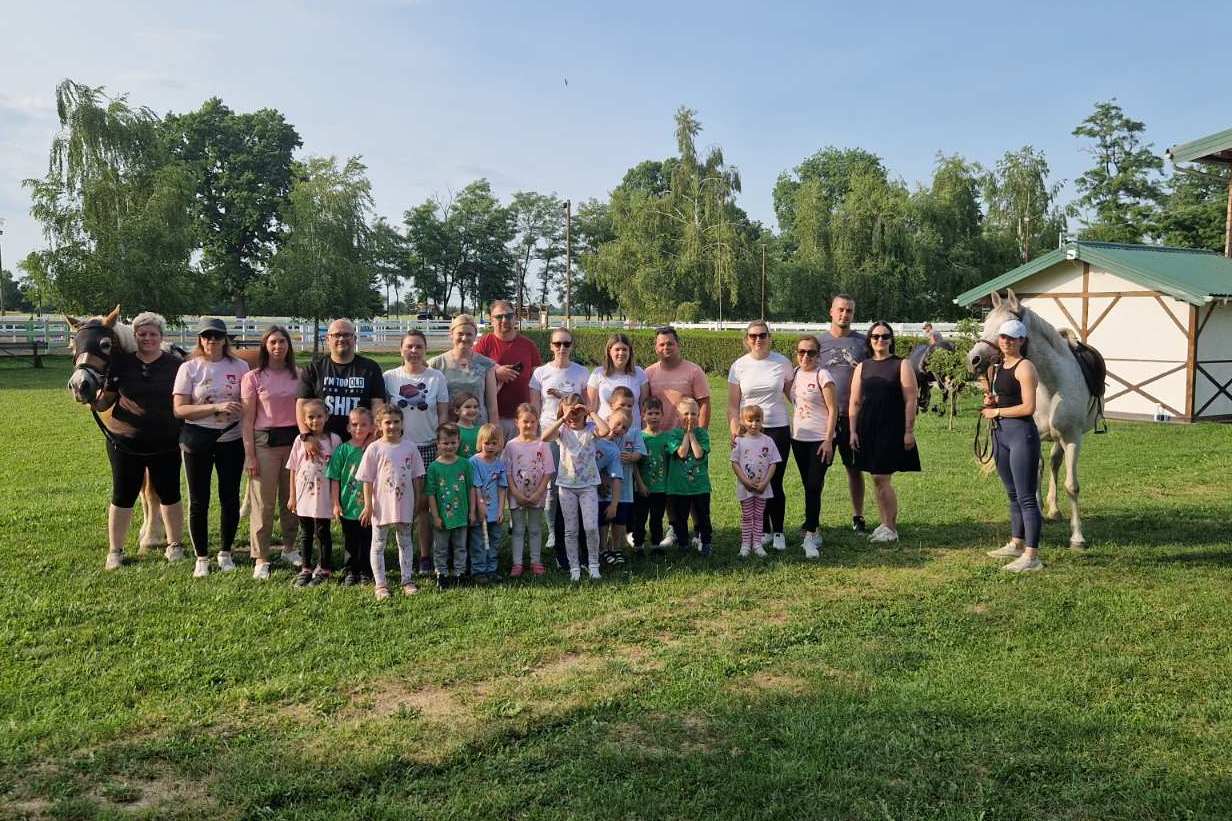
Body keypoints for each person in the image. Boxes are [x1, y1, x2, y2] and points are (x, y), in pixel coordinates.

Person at [90, 311, 185, 570]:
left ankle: (174, 544)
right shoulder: (121, 364)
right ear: (135, 336)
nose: (147, 338)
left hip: (165, 441)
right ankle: (115, 551)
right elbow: (106, 400)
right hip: (124, 442)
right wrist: (91, 399)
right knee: (122, 496)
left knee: (170, 494)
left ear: (161, 337)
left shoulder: (175, 365)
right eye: (142, 334)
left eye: (153, 334)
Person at [173, 318, 250, 578]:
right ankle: (202, 557)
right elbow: (180, 409)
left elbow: (248, 401)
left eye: (217, 336)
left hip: (231, 438)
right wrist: (215, 407)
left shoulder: (240, 366)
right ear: (200, 339)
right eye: (207, 336)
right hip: (198, 438)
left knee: (229, 497)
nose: (212, 341)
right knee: (199, 500)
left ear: (225, 339)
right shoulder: (189, 368)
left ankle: (226, 552)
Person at [383, 329, 450, 575]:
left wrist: (442, 444)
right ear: (401, 349)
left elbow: (442, 413)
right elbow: (383, 415)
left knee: (423, 505)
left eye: (418, 346)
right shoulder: (390, 377)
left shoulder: (436, 378)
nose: (414, 351)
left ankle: (424, 556)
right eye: (409, 346)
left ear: (425, 350)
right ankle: (402, 552)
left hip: (428, 446)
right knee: (399, 502)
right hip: (398, 449)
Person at [848, 321, 920, 543]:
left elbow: (911, 400)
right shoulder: (862, 366)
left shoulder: (902, 364)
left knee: (881, 477)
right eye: (876, 336)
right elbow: (855, 401)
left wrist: (908, 430)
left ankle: (890, 527)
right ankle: (884, 523)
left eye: (885, 336)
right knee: (876, 478)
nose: (880, 340)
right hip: (868, 428)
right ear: (870, 340)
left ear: (891, 339)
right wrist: (852, 431)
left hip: (891, 428)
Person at [981, 319, 1043, 573]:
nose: (1006, 341)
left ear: (1022, 341)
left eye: (1012, 338)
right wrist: (993, 400)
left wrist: (996, 411)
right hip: (1001, 436)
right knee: (1012, 494)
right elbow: (1006, 397)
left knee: (1027, 497)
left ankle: (1032, 556)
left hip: (1021, 435)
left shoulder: (1025, 367)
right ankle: (1017, 543)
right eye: (1003, 337)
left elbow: (1028, 407)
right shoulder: (999, 367)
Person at [726, 320, 792, 551]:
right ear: (747, 339)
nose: (758, 339)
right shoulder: (739, 366)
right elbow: (733, 405)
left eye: (762, 335)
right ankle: (762, 530)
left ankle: (778, 531)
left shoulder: (782, 363)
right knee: (753, 478)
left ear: (769, 337)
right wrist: (735, 430)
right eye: (753, 336)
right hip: (748, 432)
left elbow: (795, 395)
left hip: (777, 428)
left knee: (774, 481)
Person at [241, 325, 301, 578]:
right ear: (265, 346)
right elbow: (247, 420)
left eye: (282, 342)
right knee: (263, 505)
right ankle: (261, 557)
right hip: (264, 443)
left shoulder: (299, 375)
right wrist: (250, 455)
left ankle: (289, 547)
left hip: (293, 444)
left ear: (289, 345)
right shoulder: (253, 377)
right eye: (273, 342)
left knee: (292, 500)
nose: (278, 346)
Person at [529, 326, 589, 555]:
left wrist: (562, 396)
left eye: (566, 343)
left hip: (575, 434)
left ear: (572, 346)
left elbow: (585, 404)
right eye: (557, 343)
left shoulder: (581, 372)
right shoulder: (540, 373)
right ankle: (554, 531)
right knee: (552, 485)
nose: (562, 348)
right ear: (551, 346)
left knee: (576, 482)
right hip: (549, 432)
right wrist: (535, 434)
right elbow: (535, 406)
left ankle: (574, 528)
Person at [358, 405, 427, 599]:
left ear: (402, 423)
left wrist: (417, 500)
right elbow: (366, 479)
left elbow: (417, 477)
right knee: (378, 544)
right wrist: (368, 505)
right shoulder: (374, 448)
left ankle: (407, 580)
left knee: (405, 542)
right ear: (379, 425)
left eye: (396, 422)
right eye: (387, 422)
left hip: (405, 503)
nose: (392, 426)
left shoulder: (410, 447)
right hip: (381, 506)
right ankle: (380, 584)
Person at [542, 393, 610, 582]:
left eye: (576, 412)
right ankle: (574, 567)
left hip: (588, 486)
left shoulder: (590, 429)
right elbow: (544, 437)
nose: (573, 416)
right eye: (569, 413)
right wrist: (562, 418)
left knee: (590, 527)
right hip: (567, 486)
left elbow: (606, 430)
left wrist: (590, 411)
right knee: (570, 530)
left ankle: (593, 564)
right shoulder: (562, 431)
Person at [816, 295, 869, 533]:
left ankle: (858, 516)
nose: (844, 314)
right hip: (824, 417)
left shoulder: (863, 343)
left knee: (854, 469)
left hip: (853, 417)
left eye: (849, 311)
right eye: (840, 309)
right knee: (818, 470)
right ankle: (813, 518)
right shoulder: (819, 343)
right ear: (831, 311)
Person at [297, 318, 387, 448]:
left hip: (360, 443)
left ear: (354, 338)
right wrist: (306, 436)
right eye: (336, 335)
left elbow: (377, 406)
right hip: (322, 444)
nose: (341, 338)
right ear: (327, 339)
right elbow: (301, 405)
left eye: (346, 335)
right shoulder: (314, 369)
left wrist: (372, 436)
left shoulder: (370, 368)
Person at [789, 334, 838, 559]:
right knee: (808, 485)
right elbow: (794, 399)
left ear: (819, 355)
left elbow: (833, 409)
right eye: (802, 352)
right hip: (799, 439)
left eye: (811, 352)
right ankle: (813, 525)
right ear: (796, 354)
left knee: (813, 485)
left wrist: (828, 440)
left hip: (821, 439)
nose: (806, 356)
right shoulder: (795, 374)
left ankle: (810, 533)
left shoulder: (823, 375)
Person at [285, 399, 340, 587]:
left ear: (326, 417)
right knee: (306, 533)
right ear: (304, 419)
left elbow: (337, 471)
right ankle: (306, 568)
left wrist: (335, 500)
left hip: (324, 495)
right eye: (310, 417)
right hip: (304, 495)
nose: (315, 421)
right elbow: (293, 469)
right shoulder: (299, 441)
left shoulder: (334, 440)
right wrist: (292, 496)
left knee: (323, 531)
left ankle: (324, 568)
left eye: (319, 416)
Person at [474, 299, 542, 440]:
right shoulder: (484, 344)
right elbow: (472, 373)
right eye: (499, 316)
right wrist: (495, 372)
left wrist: (536, 415)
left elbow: (539, 382)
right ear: (491, 319)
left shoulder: (529, 345)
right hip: (493, 417)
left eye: (509, 316)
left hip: (523, 420)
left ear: (515, 318)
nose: (504, 320)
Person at [327, 407, 376, 586]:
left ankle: (365, 571)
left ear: (371, 427)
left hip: (368, 507)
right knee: (350, 540)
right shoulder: (342, 450)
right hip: (347, 505)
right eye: (354, 424)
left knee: (367, 539)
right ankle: (350, 571)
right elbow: (334, 478)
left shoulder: (374, 450)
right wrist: (335, 503)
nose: (358, 428)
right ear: (348, 427)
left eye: (363, 424)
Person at [503, 403, 554, 577]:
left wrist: (538, 493)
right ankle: (517, 563)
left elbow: (548, 472)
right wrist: (516, 493)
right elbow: (507, 472)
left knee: (535, 529)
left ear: (537, 422)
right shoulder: (510, 446)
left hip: (537, 495)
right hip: (516, 495)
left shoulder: (543, 444)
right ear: (516, 422)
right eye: (525, 421)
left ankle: (535, 561)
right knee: (518, 530)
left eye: (533, 421)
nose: (529, 425)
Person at [425, 422, 474, 589]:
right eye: (445, 443)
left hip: (461, 514)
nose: (449, 446)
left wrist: (471, 511)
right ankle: (442, 573)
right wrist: (435, 516)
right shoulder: (434, 467)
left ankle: (460, 573)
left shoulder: (465, 464)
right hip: (442, 517)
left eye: (453, 442)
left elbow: (471, 488)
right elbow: (431, 493)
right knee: (441, 547)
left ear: (459, 442)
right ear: (438, 444)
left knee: (460, 546)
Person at [428, 314, 499, 427]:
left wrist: (494, 430)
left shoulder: (487, 365)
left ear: (475, 336)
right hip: (449, 431)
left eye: (469, 334)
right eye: (460, 334)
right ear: (451, 335)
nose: (464, 338)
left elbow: (492, 407)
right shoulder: (436, 364)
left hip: (478, 429)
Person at [730, 405, 781, 559]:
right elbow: (734, 463)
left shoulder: (768, 441)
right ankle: (745, 545)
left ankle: (757, 544)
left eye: (757, 420)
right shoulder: (739, 441)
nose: (754, 424)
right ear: (743, 421)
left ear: (762, 421)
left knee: (759, 515)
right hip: (745, 488)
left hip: (762, 487)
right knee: (747, 516)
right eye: (750, 420)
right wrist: (745, 481)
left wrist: (765, 482)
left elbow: (773, 463)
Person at [666, 398, 712, 557]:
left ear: (698, 415)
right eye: (686, 413)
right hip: (679, 487)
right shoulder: (673, 435)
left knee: (703, 516)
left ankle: (706, 542)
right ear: (678, 416)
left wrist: (691, 434)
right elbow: (682, 453)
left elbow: (698, 454)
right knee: (681, 517)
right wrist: (686, 434)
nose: (690, 417)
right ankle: (683, 544)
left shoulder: (702, 434)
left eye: (694, 414)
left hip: (700, 486)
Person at [644, 325, 711, 431]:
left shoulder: (694, 371)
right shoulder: (648, 373)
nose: (666, 347)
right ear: (656, 348)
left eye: (670, 344)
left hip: (686, 435)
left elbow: (704, 404)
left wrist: (701, 433)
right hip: (657, 436)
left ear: (678, 345)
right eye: (661, 345)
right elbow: (644, 405)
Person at [469, 423, 508, 582]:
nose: (490, 447)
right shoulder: (474, 462)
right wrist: (480, 508)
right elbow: (476, 487)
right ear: (480, 443)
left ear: (499, 445)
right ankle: (479, 571)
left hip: (494, 512)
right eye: (487, 443)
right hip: (480, 511)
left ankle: (492, 569)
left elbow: (502, 488)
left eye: (494, 443)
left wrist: (500, 510)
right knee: (479, 542)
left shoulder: (499, 464)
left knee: (494, 541)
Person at [630, 397, 669, 556]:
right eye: (650, 413)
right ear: (643, 415)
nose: (654, 417)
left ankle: (656, 545)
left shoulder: (666, 438)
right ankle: (638, 545)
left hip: (660, 487)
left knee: (657, 518)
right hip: (642, 487)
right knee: (640, 519)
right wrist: (640, 484)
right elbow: (634, 464)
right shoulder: (639, 437)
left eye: (657, 413)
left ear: (662, 415)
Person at [587, 333, 649, 430]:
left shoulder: (639, 373)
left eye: (624, 349)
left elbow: (644, 408)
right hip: (605, 432)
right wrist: (591, 432)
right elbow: (591, 409)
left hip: (633, 432)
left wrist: (645, 430)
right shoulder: (598, 373)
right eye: (617, 349)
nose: (621, 353)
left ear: (630, 352)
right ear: (609, 351)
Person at [451, 392, 481, 457]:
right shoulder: (452, 430)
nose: (472, 410)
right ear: (456, 411)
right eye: (468, 407)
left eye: (475, 407)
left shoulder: (481, 430)